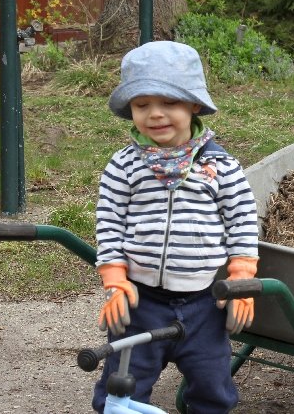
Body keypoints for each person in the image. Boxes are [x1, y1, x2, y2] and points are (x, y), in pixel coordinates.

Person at [91, 41, 260, 413]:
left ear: (193, 105)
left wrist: (240, 282)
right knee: (121, 390)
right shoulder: (124, 165)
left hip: (204, 305)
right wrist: (115, 281)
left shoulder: (220, 166)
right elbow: (109, 221)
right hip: (141, 302)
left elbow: (243, 221)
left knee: (213, 388)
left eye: (169, 102)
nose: (155, 115)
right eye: (141, 105)